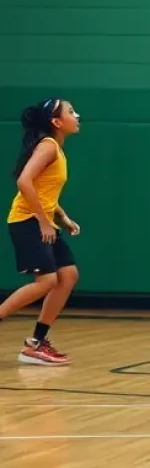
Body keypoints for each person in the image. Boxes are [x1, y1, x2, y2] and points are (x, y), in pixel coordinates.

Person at [1, 98, 82, 365]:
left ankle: (35, 343)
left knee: (68, 275)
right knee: (47, 281)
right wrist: (44, 222)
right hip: (27, 222)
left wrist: (63, 217)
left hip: (43, 221)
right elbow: (24, 181)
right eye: (71, 112)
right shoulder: (48, 147)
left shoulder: (56, 149)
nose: (77, 115)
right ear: (57, 122)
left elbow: (44, 191)